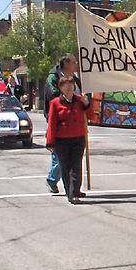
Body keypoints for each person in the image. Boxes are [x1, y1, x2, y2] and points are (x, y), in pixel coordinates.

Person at [44, 76, 91, 204]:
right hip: (62, 140)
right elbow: (52, 123)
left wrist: (87, 104)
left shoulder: (80, 100)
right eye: (66, 85)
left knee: (76, 166)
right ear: (61, 88)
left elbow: (91, 116)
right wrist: (50, 141)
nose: (69, 87)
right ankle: (70, 192)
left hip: (78, 138)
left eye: (71, 84)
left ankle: (75, 192)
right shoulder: (55, 103)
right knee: (66, 167)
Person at [45, 54, 81, 195]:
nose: (76, 64)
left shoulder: (75, 78)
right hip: (60, 119)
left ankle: (74, 189)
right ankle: (52, 179)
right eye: (74, 62)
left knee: (74, 161)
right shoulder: (53, 77)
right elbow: (54, 96)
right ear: (66, 63)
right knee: (60, 157)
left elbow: (81, 94)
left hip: (75, 121)